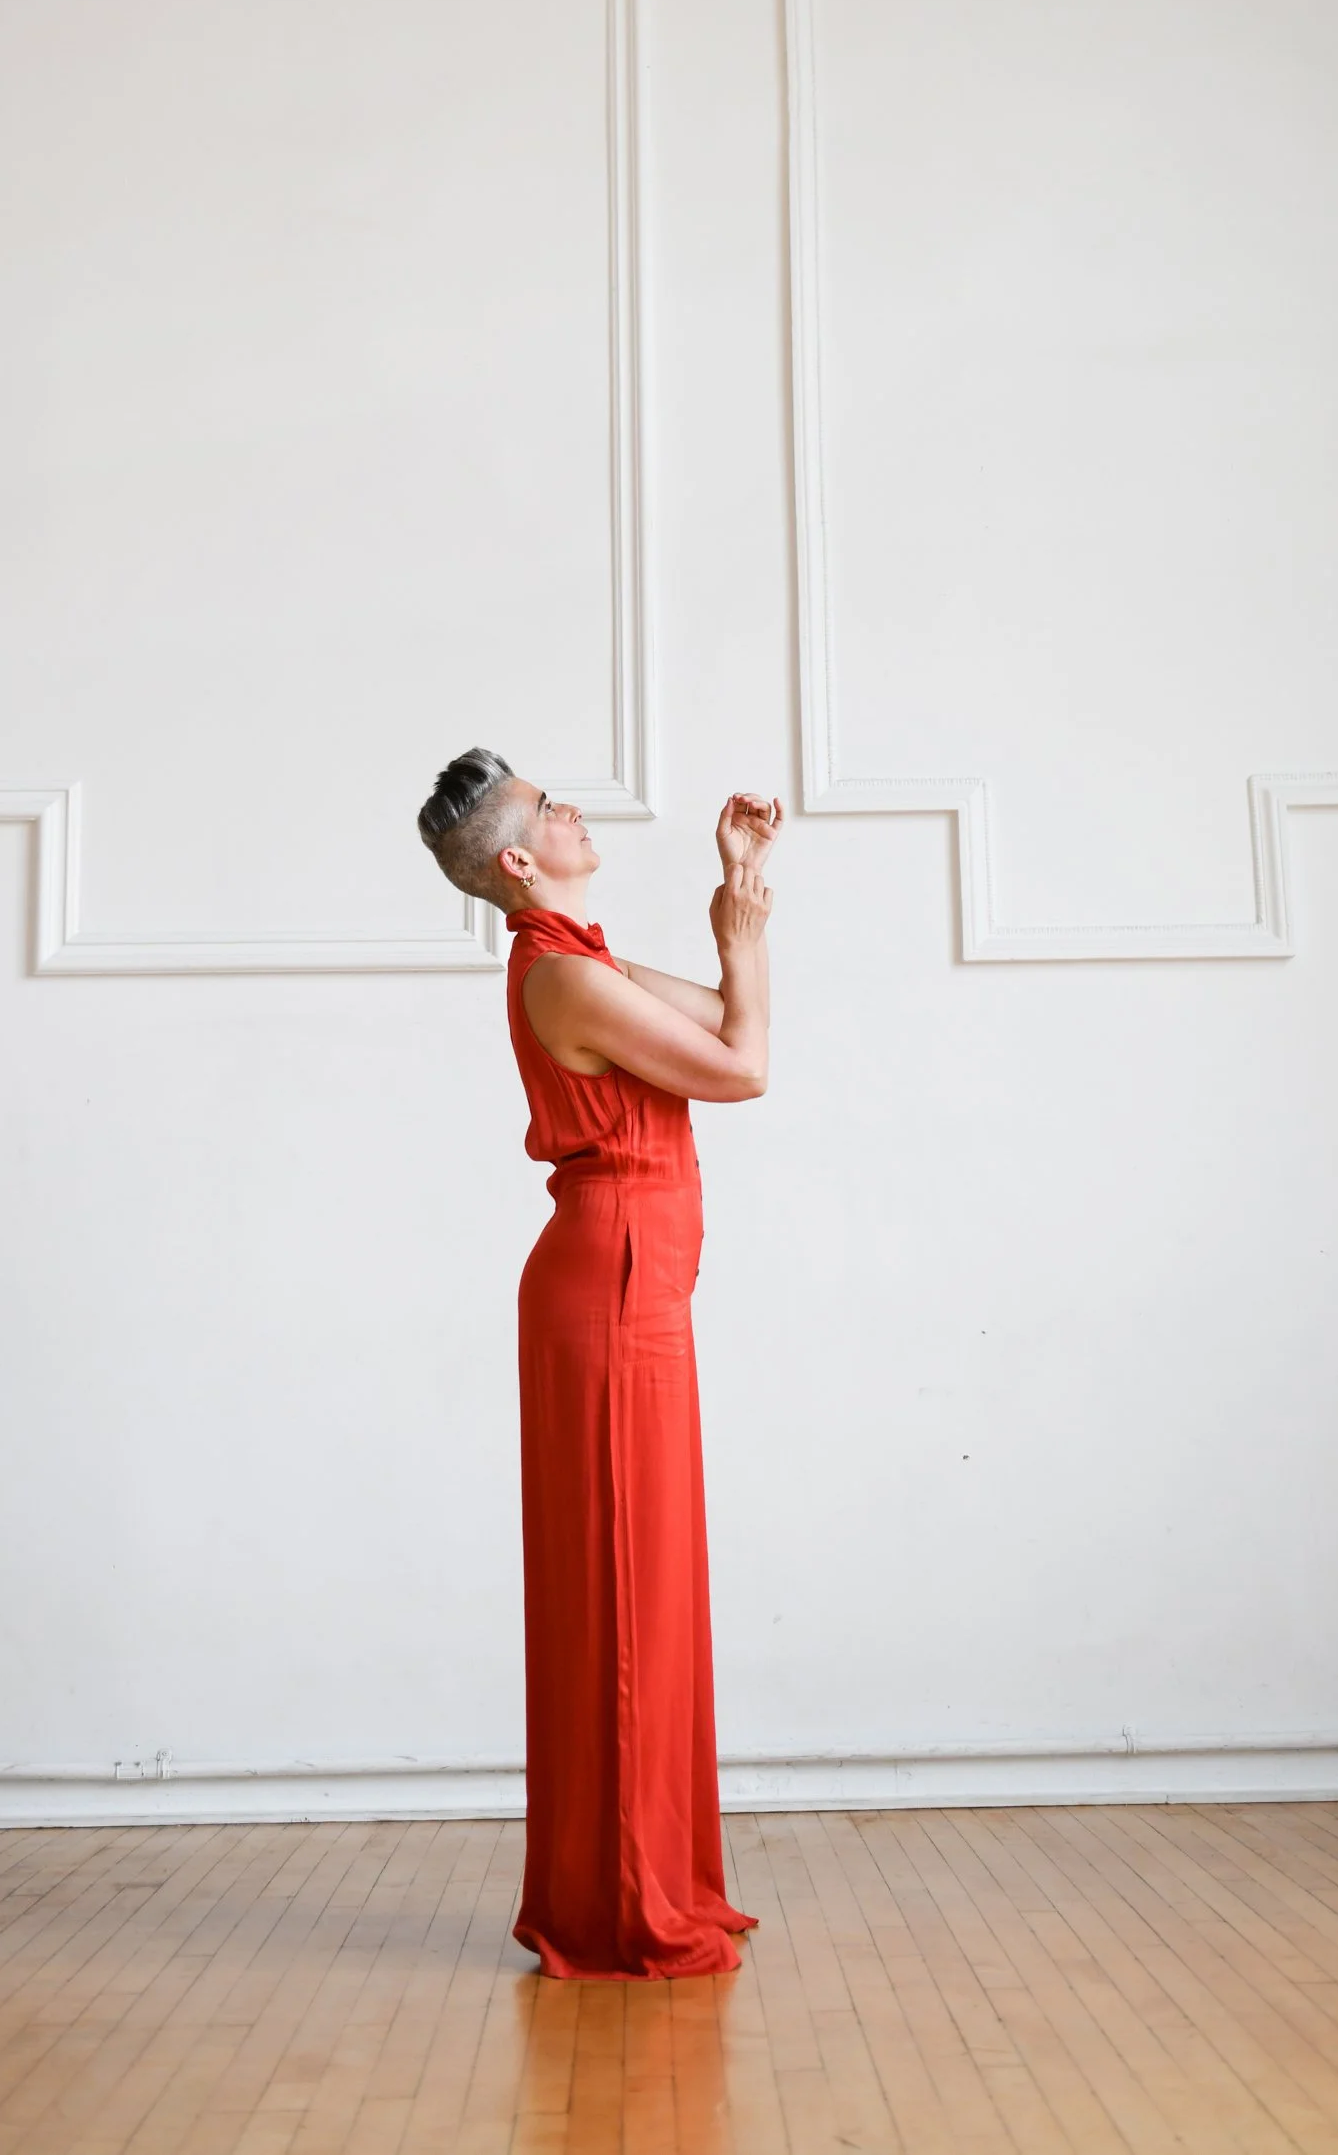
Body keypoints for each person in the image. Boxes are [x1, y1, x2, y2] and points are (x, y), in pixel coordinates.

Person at [416, 751, 780, 1980]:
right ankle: (623, 1909)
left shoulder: (586, 959)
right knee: (623, 1600)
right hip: (609, 1293)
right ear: (518, 860)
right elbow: (742, 1070)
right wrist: (735, 929)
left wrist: (738, 898)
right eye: (545, 807)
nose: (571, 809)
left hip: (629, 1289)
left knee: (650, 1591)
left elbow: (728, 1020)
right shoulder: (563, 975)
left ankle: (650, 1881)